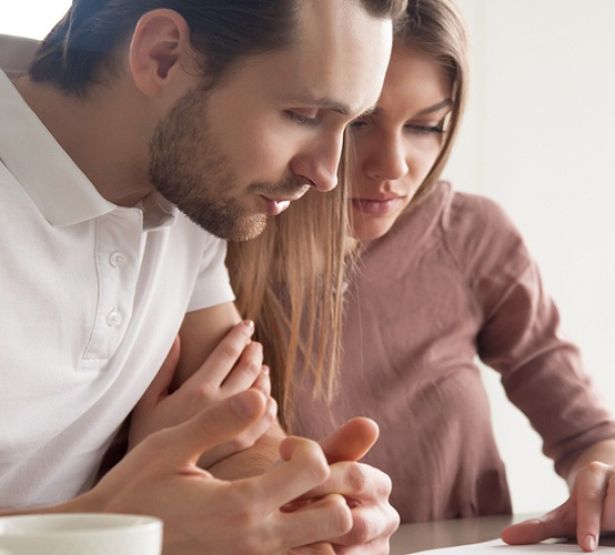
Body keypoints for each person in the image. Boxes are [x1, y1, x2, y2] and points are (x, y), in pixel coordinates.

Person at [0, 1, 405, 553]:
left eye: (348, 124)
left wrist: (303, 506)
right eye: (304, 115)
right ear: (163, 56)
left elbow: (240, 441)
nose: (328, 174)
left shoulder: (190, 195)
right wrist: (119, 528)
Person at [229, 0, 615, 552]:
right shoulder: (219, 249)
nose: (393, 165)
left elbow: (587, 435)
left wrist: (602, 477)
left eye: (427, 126)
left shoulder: (471, 234)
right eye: (361, 122)